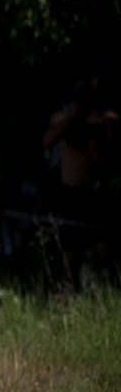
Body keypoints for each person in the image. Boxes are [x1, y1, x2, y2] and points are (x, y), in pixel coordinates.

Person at [42, 74, 119, 288]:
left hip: (95, 192)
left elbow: (110, 162)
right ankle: (74, 297)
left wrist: (93, 146)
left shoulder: (105, 120)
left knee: (105, 250)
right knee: (71, 255)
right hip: (70, 193)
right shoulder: (63, 119)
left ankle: (112, 291)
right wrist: (73, 114)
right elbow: (47, 142)